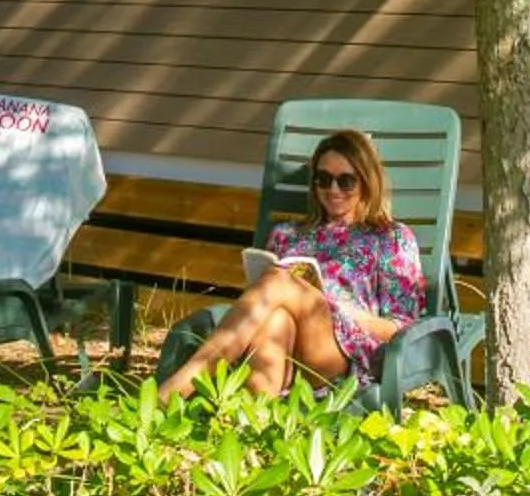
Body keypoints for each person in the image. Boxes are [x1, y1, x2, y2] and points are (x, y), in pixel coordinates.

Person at [156, 127, 425, 398]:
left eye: (346, 181)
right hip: (284, 349)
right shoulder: (286, 234)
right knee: (276, 318)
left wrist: (343, 310)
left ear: (367, 183)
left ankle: (172, 393)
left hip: (341, 355)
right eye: (323, 179)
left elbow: (401, 329)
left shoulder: (390, 238)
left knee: (281, 280)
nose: (333, 190)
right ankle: (253, 420)